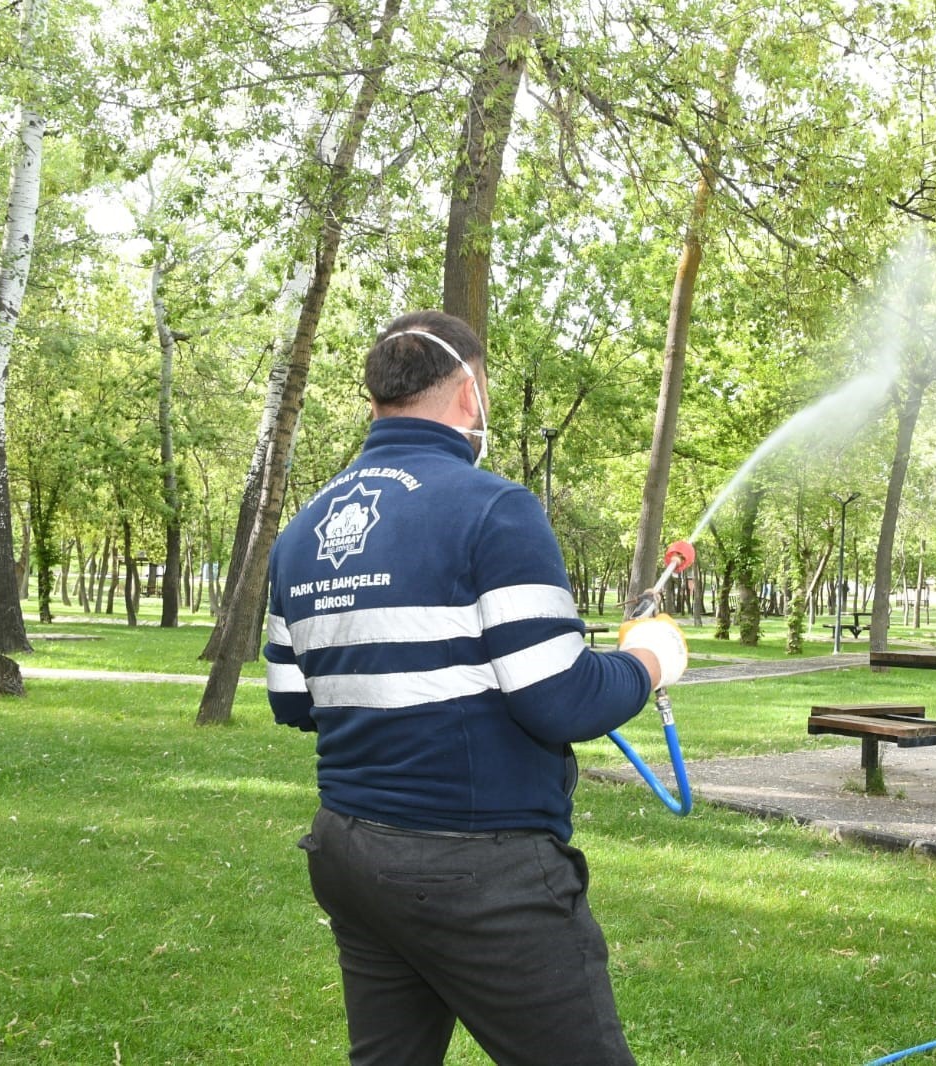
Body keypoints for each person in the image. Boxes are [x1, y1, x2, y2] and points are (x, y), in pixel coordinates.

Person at [263, 309, 688, 1066]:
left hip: (350, 853)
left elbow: (294, 701)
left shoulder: (301, 531)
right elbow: (561, 698)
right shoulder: (496, 507)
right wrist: (653, 659)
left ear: (377, 402)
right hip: (477, 871)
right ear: (469, 392)